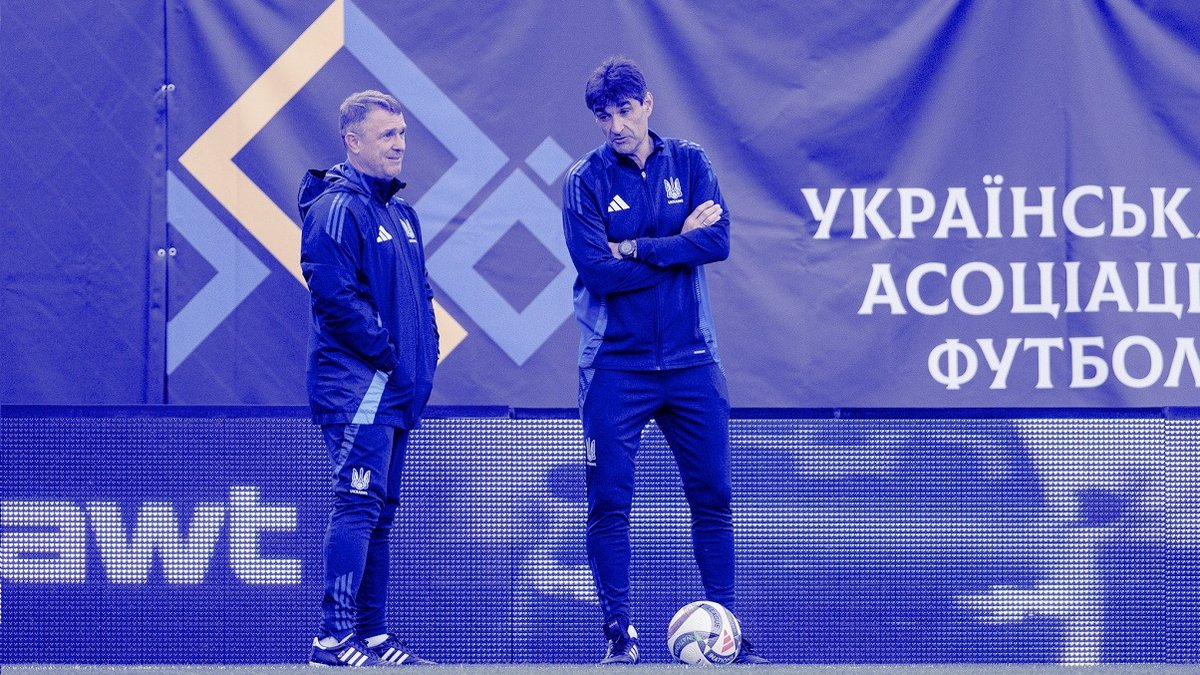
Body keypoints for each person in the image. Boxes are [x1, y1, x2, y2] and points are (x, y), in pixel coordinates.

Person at [561, 57, 767, 665]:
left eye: (625, 111)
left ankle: (727, 634)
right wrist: (680, 245)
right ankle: (619, 638)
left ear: (648, 104)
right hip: (615, 367)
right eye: (604, 116)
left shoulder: (691, 162)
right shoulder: (585, 180)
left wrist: (635, 247)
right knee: (609, 502)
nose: (616, 126)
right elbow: (598, 272)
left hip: (692, 362)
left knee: (713, 497)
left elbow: (718, 241)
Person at [298, 90, 439, 667]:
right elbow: (334, 297)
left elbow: (421, 295)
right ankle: (332, 638)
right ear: (353, 142)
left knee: (379, 510)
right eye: (387, 135)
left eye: (402, 133)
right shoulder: (336, 208)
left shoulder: (402, 213)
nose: (400, 144)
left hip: (396, 389)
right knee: (357, 504)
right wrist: (388, 356)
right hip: (357, 387)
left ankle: (374, 636)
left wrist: (422, 359)